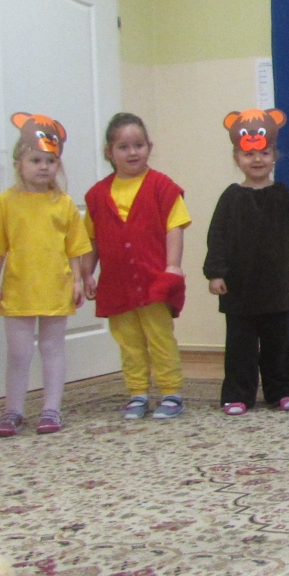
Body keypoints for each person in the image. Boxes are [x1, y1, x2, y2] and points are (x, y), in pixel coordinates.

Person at [0, 114, 90, 437]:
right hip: (18, 288)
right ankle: (12, 410)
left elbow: (76, 248)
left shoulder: (64, 204)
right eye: (36, 160)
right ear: (19, 164)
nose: (43, 167)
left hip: (55, 287)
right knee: (19, 352)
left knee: (52, 348)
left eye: (50, 161)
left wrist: (78, 280)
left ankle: (51, 408)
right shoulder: (6, 202)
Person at [82, 113, 190, 420]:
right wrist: (86, 273)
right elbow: (91, 240)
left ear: (149, 147)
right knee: (128, 341)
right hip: (117, 284)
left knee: (160, 337)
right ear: (109, 152)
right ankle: (137, 393)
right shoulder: (96, 195)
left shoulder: (162, 187)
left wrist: (173, 266)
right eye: (123, 147)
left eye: (138, 145)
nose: (132, 152)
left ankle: (170, 392)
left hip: (154, 279)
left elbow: (174, 228)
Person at [204, 109, 289, 417]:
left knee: (279, 345)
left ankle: (283, 390)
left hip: (278, 287)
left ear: (274, 155)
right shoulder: (230, 198)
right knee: (240, 347)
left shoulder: (284, 196)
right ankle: (237, 393)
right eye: (249, 154)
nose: (257, 159)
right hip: (239, 289)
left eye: (264, 153)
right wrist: (215, 273)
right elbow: (217, 237)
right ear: (237, 157)